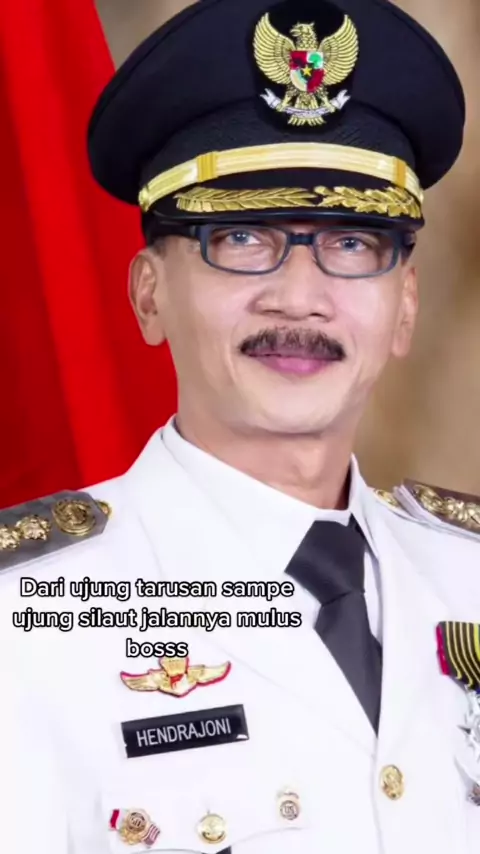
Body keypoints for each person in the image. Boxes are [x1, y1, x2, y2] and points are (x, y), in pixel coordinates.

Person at [1, 0, 480, 851]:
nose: (299, 297)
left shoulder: (467, 575)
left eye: (353, 244)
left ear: (404, 306)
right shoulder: (22, 622)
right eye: (242, 239)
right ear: (149, 294)